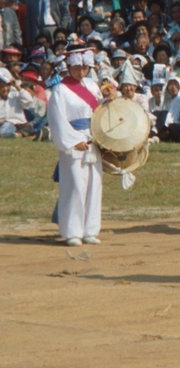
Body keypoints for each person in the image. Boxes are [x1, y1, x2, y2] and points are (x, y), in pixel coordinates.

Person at [48, 46, 108, 247]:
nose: (81, 72)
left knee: (94, 184)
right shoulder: (60, 89)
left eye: (84, 68)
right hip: (74, 140)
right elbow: (57, 118)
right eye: (76, 68)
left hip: (94, 138)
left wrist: (108, 98)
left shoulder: (92, 85)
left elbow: (98, 110)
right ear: (68, 66)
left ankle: (90, 229)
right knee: (75, 184)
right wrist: (73, 140)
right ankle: (72, 231)